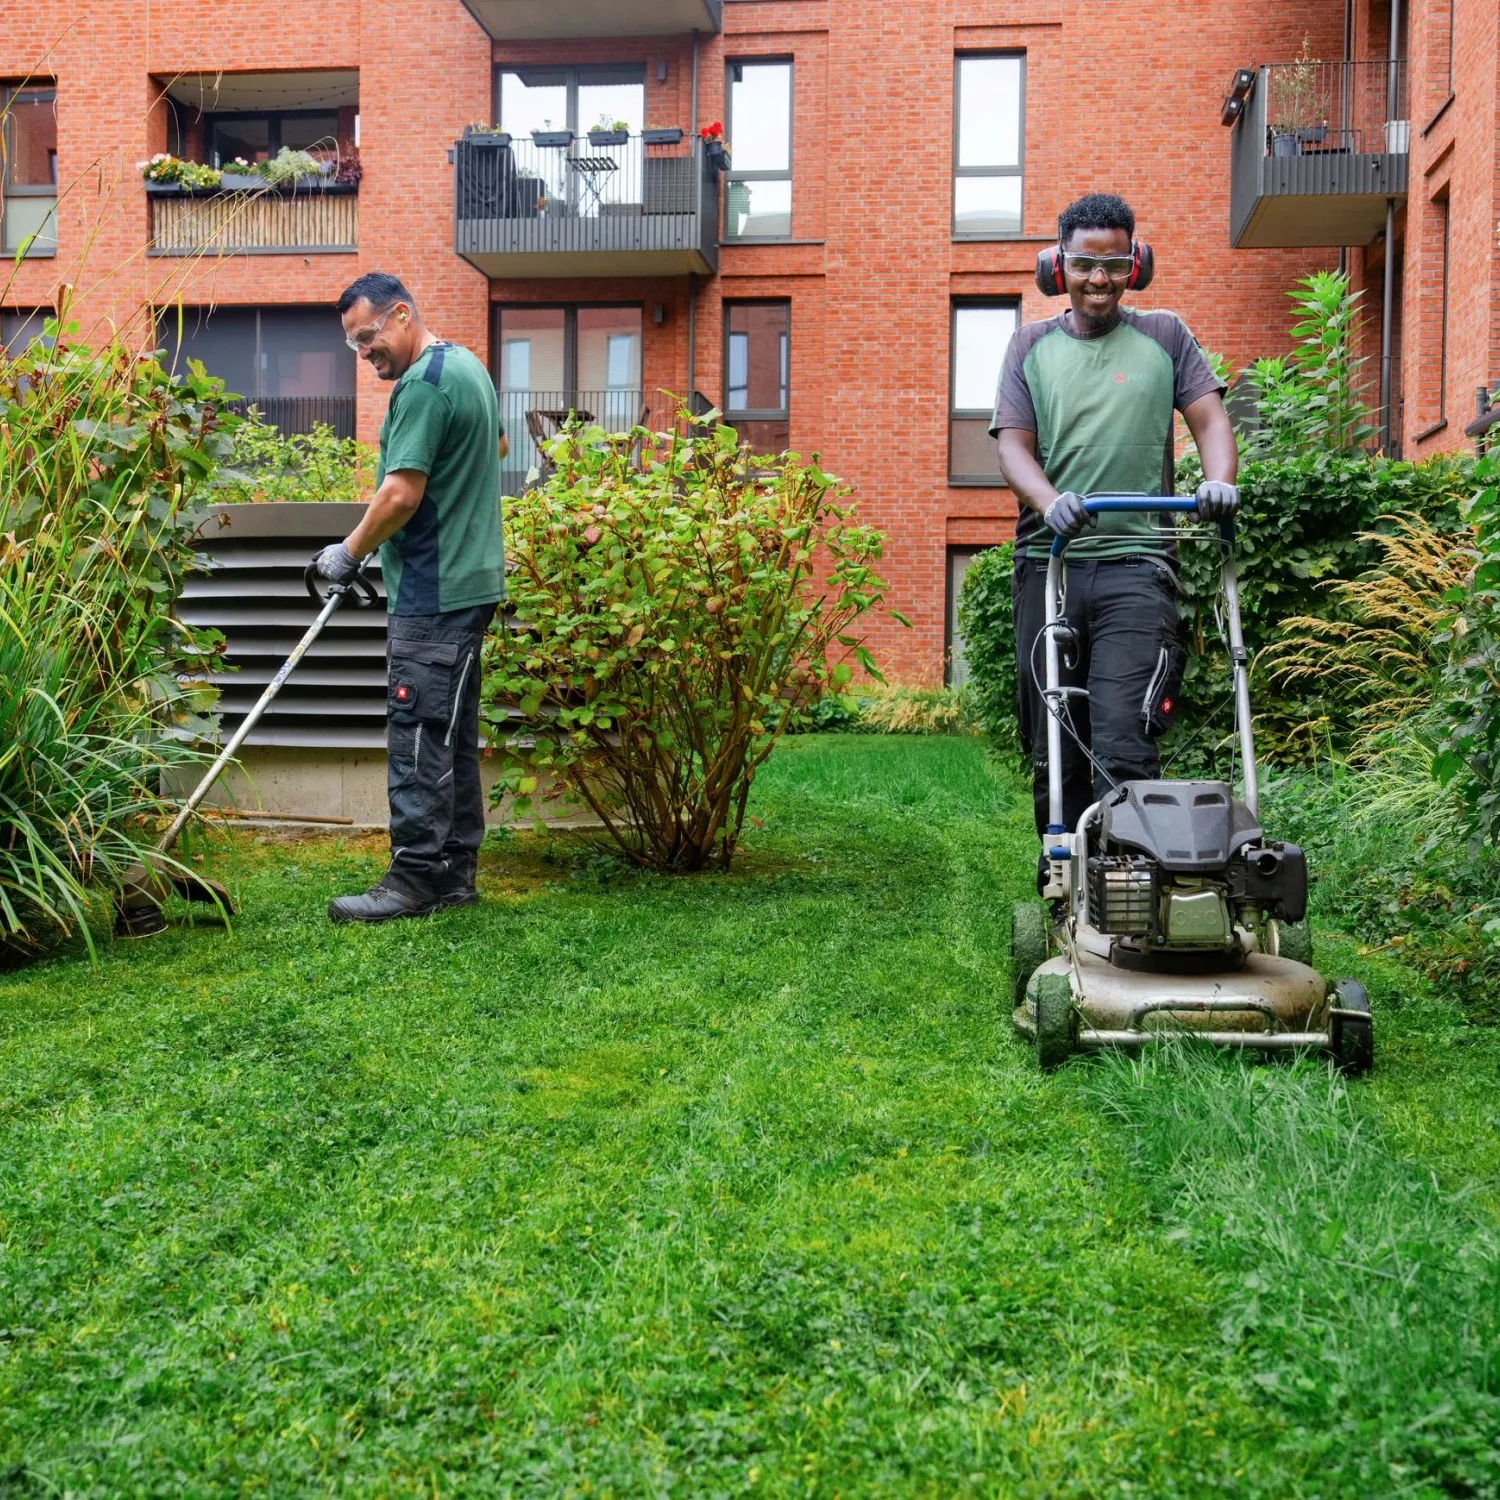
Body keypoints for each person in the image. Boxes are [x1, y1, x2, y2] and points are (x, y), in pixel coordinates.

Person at [990, 192, 1240, 847]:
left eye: (1115, 264)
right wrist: (1050, 501)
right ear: (1058, 265)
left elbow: (1211, 420)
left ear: (1137, 265)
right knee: (1053, 741)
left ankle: (1130, 878)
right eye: (1084, 264)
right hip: (1050, 566)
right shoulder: (1028, 347)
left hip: (1139, 566)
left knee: (1125, 738)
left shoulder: (1166, 336)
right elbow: (1012, 448)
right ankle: (1064, 872)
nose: (1099, 278)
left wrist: (1218, 481)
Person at [314, 272, 509, 923]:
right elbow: (496, 445)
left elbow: (400, 493)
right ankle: (452, 874)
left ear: (401, 314)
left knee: (419, 733)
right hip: (469, 582)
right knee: (449, 736)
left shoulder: (423, 385)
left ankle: (412, 881)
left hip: (435, 589)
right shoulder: (467, 368)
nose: (363, 351)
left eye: (368, 336)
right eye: (352, 343)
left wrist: (349, 553)